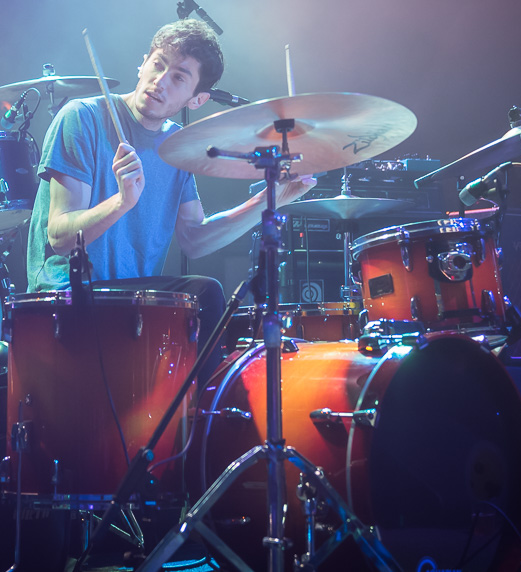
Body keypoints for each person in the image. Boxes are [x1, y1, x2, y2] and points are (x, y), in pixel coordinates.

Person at [26, 19, 313, 376]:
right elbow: (60, 237)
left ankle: (202, 407)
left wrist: (272, 199)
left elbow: (194, 239)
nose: (160, 81)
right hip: (67, 296)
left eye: (178, 77)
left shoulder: (175, 146)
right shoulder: (82, 118)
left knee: (204, 300)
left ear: (198, 99)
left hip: (132, 302)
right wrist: (121, 202)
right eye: (158, 64)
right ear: (142, 63)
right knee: (206, 294)